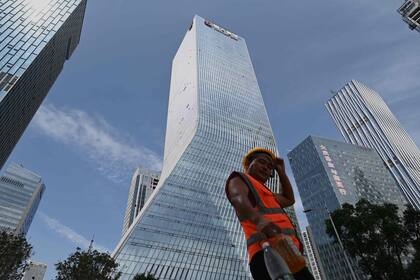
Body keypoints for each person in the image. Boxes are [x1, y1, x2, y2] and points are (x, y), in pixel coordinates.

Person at [225, 148, 314, 280]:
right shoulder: (240, 178)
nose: (267, 168)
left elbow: (289, 199)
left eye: (270, 167)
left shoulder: (268, 194)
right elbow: (237, 197)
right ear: (250, 163)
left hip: (289, 252)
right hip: (266, 253)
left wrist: (281, 171)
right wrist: (259, 220)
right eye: (262, 162)